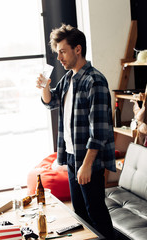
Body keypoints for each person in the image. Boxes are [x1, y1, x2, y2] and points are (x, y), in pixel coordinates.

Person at [36, 24, 116, 240]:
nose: (59, 57)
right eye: (57, 52)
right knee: (80, 215)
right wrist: (44, 87)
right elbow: (50, 101)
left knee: (96, 212)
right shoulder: (69, 78)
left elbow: (99, 130)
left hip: (88, 160)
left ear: (77, 49)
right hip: (72, 158)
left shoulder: (95, 81)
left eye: (62, 51)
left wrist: (87, 165)